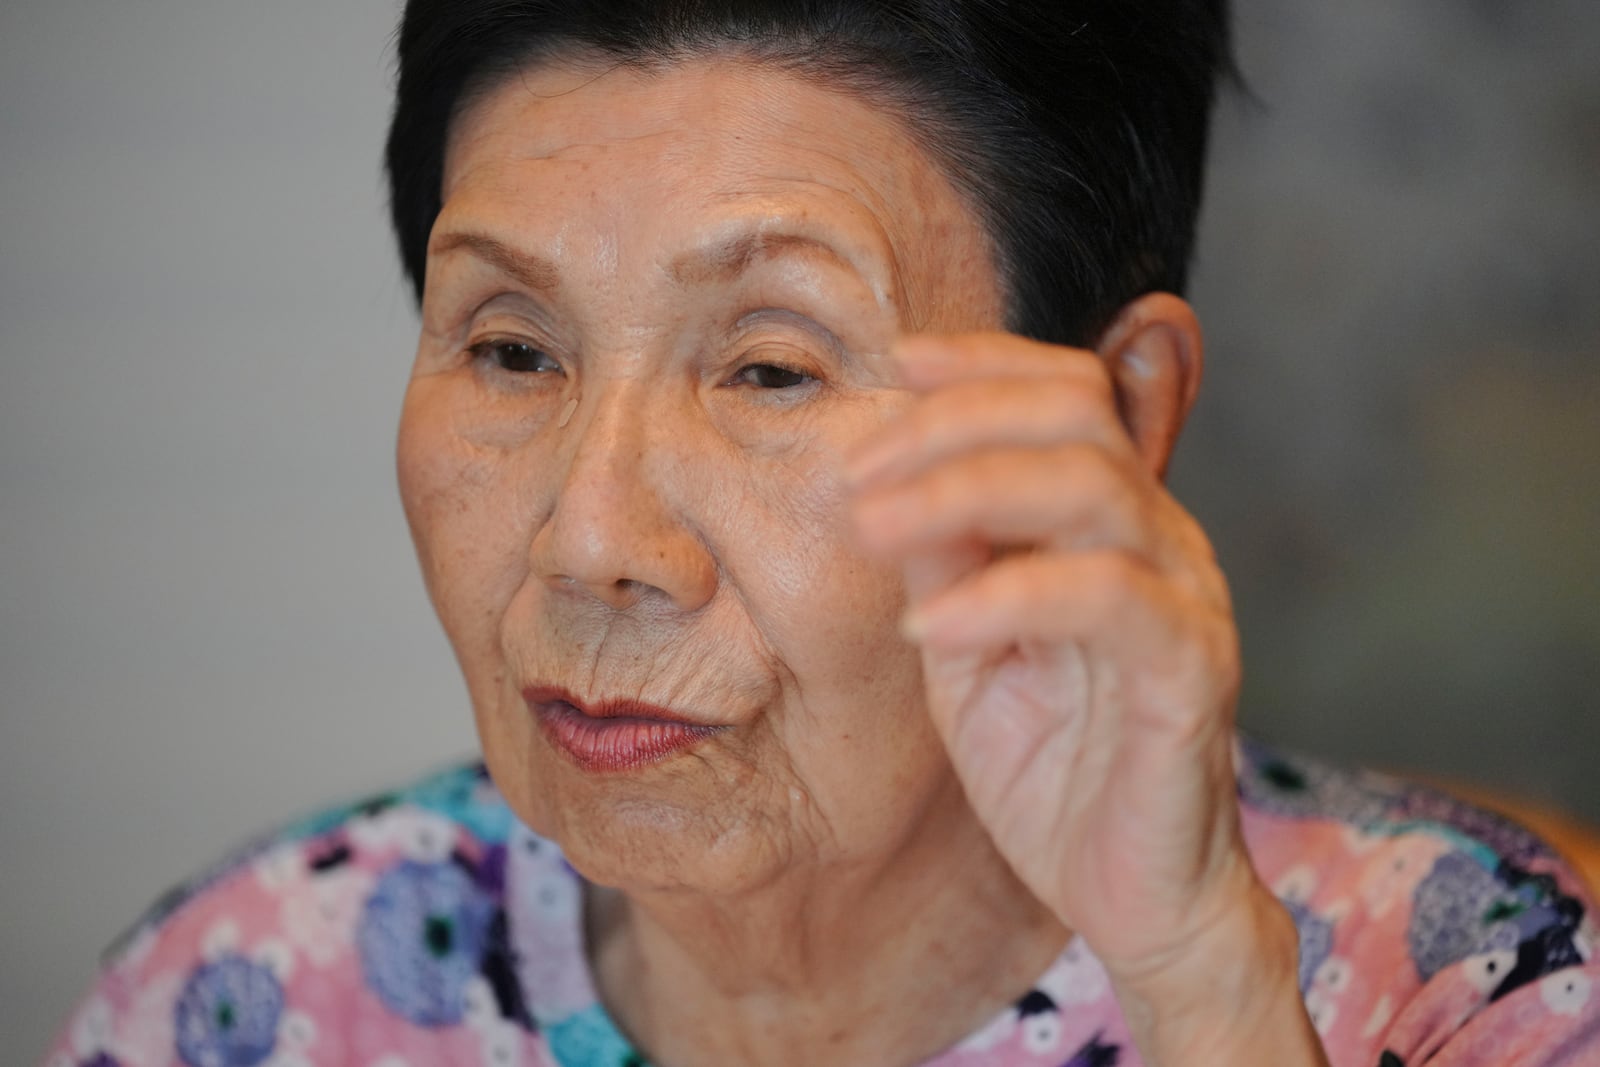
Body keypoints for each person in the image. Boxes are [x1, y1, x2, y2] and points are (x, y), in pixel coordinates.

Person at [42, 2, 1600, 1065]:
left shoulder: (1490, 988)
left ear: (1116, 422)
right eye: (512, 348)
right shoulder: (246, 999)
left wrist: (1207, 988)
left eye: (771, 368)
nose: (589, 541)